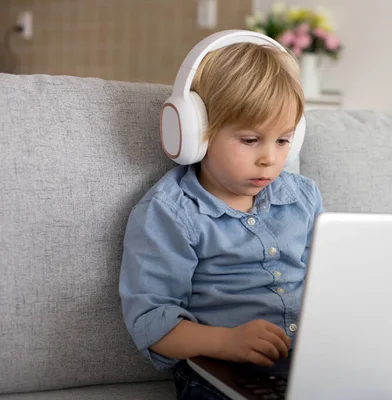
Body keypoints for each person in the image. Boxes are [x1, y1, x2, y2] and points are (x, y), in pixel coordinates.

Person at [118, 39, 324, 400]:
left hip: (307, 363)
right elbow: (151, 322)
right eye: (250, 139)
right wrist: (227, 341)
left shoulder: (304, 197)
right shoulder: (169, 213)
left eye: (283, 140)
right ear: (195, 131)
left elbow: (330, 281)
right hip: (217, 371)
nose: (269, 159)